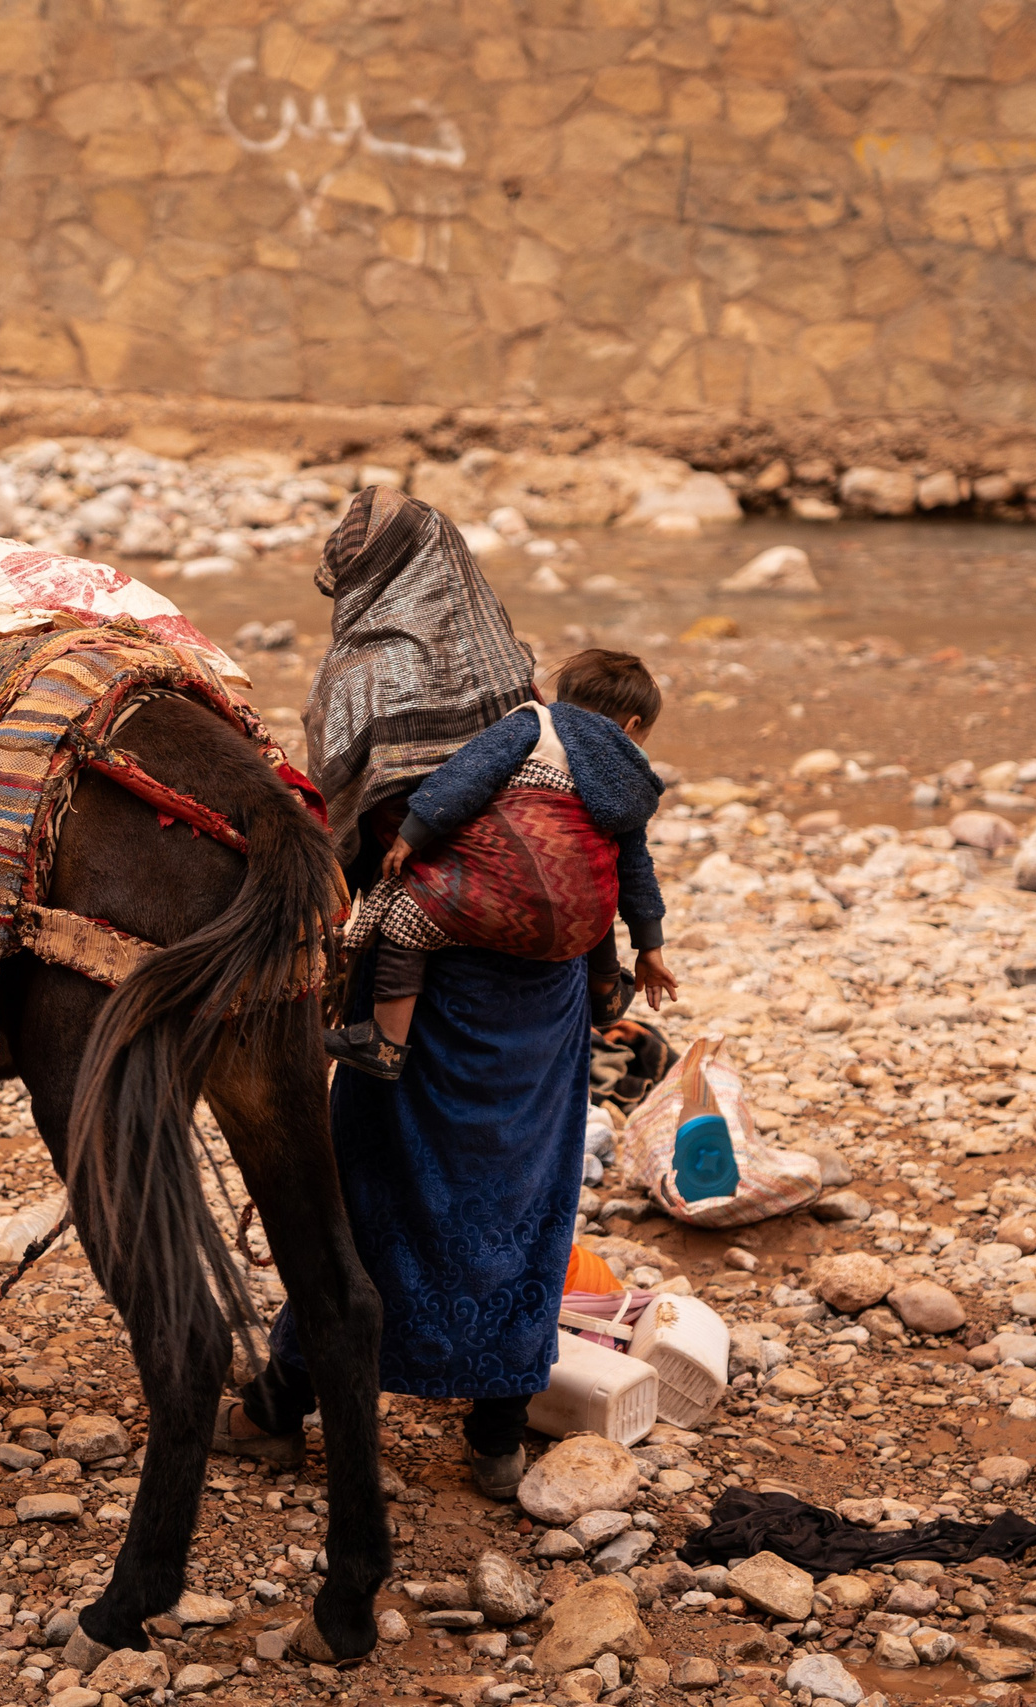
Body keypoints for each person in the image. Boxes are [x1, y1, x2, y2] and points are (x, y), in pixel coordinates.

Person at [212, 488, 606, 1500]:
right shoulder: (500, 659)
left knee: (371, 1187)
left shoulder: (361, 671)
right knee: (524, 1196)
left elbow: (340, 837)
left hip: (420, 981)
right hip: (541, 993)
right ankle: (497, 1429)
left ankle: (284, 1403)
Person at [325, 647, 676, 1080]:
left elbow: (467, 777)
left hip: (506, 909)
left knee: (404, 911)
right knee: (595, 874)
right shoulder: (630, 776)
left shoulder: (536, 723)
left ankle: (385, 1042)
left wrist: (412, 834)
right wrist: (650, 948)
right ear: (633, 725)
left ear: (563, 697)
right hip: (578, 933)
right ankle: (605, 992)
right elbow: (637, 871)